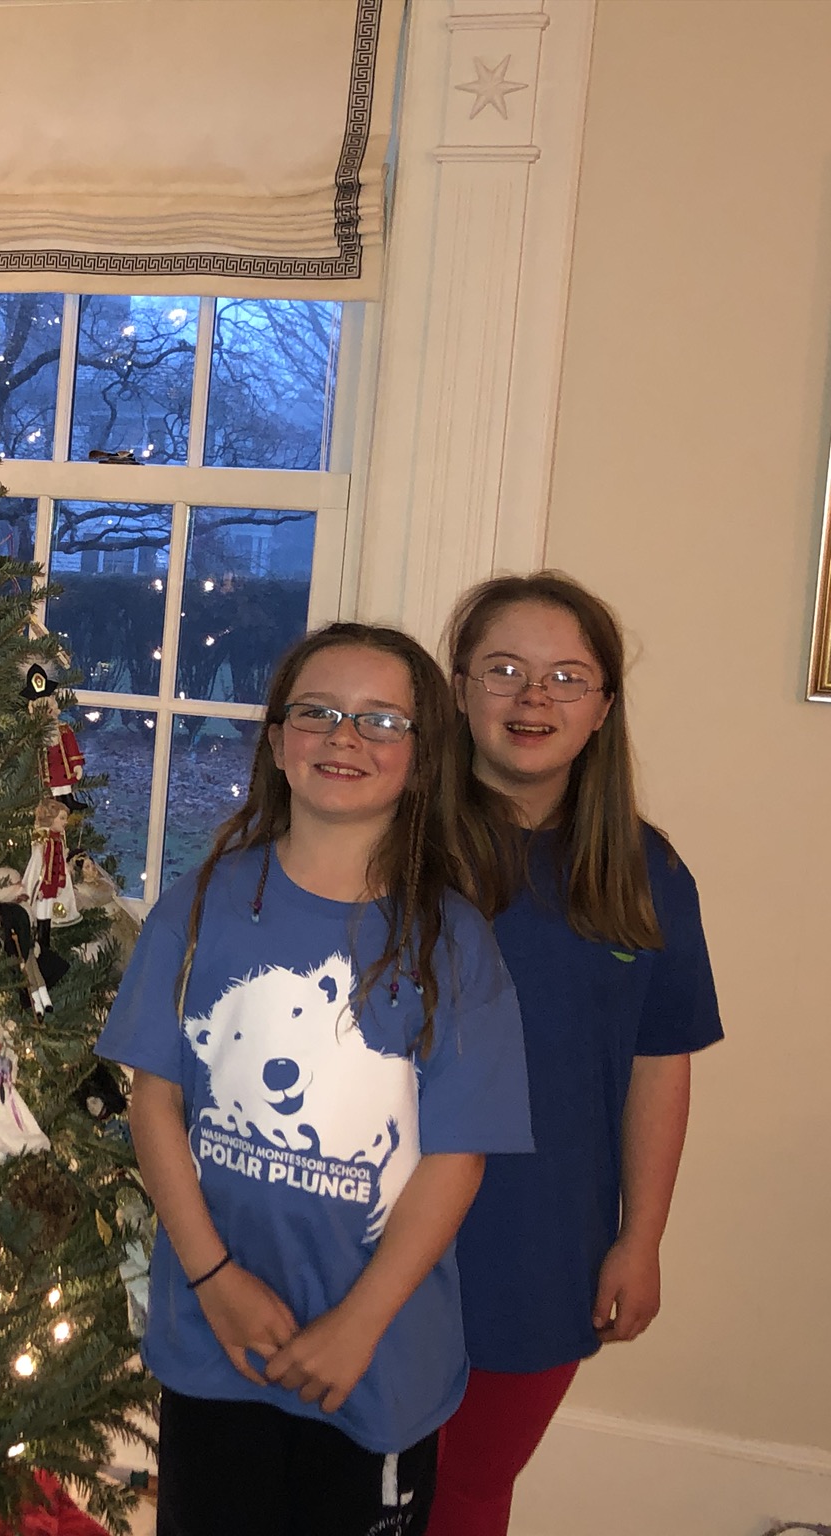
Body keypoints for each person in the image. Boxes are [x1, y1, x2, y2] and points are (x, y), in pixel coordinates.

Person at [96, 623, 531, 1536]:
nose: (346, 737)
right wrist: (213, 1278)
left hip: (377, 1362)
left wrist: (359, 1327)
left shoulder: (453, 942)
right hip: (212, 1342)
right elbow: (155, 1100)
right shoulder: (200, 902)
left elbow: (458, 1162)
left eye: (382, 720)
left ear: (423, 758)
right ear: (278, 740)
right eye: (320, 712)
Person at [425, 575, 723, 1536]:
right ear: (460, 687)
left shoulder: (647, 873)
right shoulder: (392, 851)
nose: (533, 696)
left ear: (602, 710)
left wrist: (643, 1239)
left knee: (467, 1491)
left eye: (566, 676)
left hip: (540, 1246)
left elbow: (660, 1063)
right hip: (366, 1228)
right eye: (505, 668)